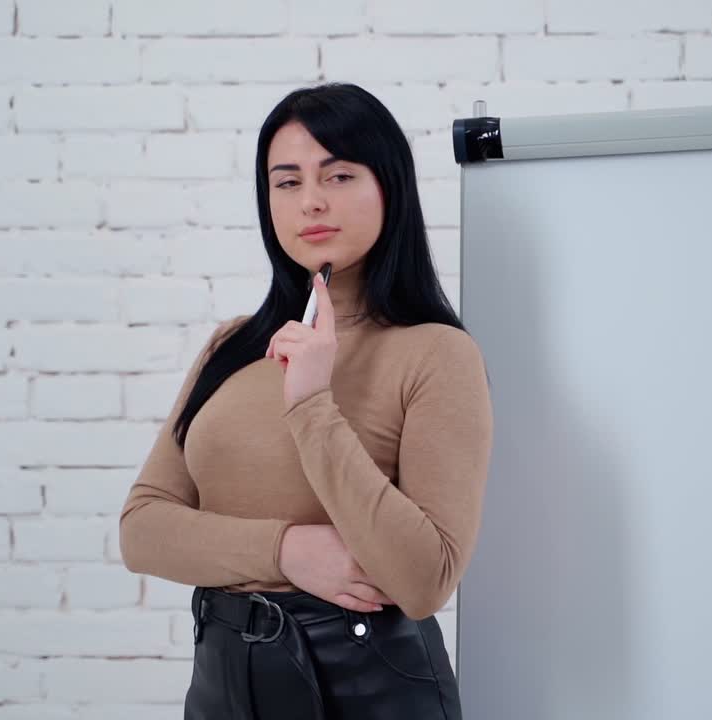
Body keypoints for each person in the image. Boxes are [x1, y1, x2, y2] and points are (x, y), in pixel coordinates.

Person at [118, 81, 495, 720]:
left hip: (370, 687)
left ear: (390, 187)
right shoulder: (231, 346)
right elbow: (143, 530)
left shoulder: (435, 353)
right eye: (286, 182)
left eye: (339, 175)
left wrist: (313, 405)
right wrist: (287, 550)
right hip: (223, 683)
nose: (311, 201)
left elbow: (424, 579)